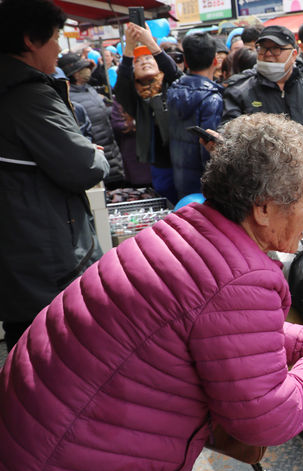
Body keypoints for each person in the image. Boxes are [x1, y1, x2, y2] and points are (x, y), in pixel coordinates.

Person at [0, 112, 303, 471]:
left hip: (32, 433)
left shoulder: (186, 230)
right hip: (69, 459)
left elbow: (208, 326)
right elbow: (267, 419)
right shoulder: (239, 278)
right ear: (263, 208)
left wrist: (301, 344)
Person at [0, 0, 109, 351]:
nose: (60, 47)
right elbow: (82, 167)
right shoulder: (28, 95)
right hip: (46, 264)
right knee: (59, 361)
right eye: (56, 37)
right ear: (31, 40)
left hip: (21, 260)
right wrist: (95, 154)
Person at [222, 25, 303, 185]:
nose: (268, 55)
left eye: (276, 49)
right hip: (262, 184)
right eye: (263, 49)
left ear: (294, 54)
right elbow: (229, 134)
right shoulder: (239, 92)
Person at [115, 23, 182, 203]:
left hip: (185, 161)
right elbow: (120, 87)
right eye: (138, 61)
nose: (144, 61)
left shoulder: (173, 87)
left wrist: (150, 43)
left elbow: (175, 73)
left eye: (148, 58)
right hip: (161, 167)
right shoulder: (134, 98)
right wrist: (129, 47)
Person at [167, 32, 224, 199]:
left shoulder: (173, 90)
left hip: (180, 178)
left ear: (185, 61)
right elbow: (209, 149)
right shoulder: (211, 99)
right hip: (205, 187)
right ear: (215, 60)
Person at [59, 52, 125, 187]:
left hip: (112, 155)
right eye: (83, 69)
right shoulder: (70, 99)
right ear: (75, 74)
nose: (88, 71)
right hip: (97, 157)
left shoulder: (89, 89)